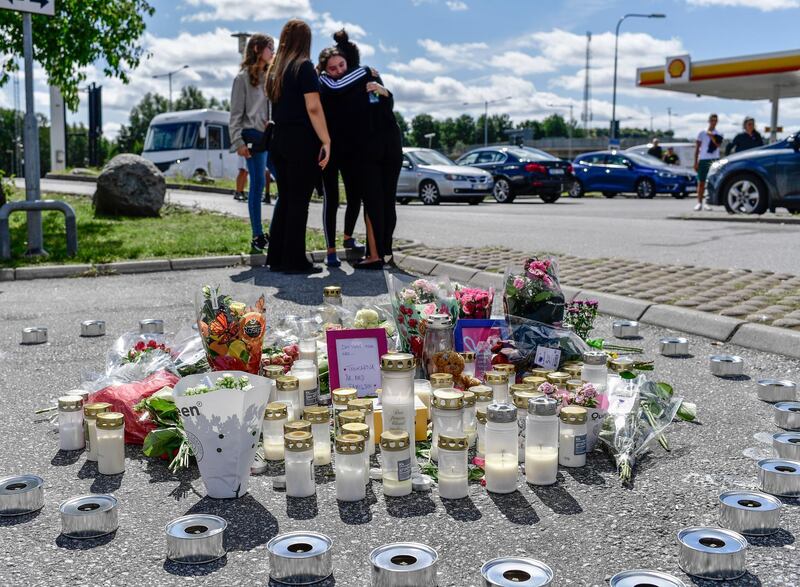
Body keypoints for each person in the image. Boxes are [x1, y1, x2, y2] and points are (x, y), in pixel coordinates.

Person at [318, 31, 400, 269]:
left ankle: (380, 253)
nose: (338, 71)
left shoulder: (364, 77)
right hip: (356, 148)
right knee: (366, 200)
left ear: (348, 61)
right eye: (332, 68)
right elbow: (332, 88)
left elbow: (386, 104)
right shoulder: (336, 81)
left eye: (341, 65)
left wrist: (383, 90)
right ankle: (373, 253)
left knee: (377, 201)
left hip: (374, 147)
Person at [265, 19, 331, 274]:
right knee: (298, 202)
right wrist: (326, 139)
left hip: (279, 140)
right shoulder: (303, 68)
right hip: (301, 141)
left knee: (287, 198)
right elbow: (313, 108)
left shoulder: (275, 70)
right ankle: (294, 260)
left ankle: (278, 257)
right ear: (305, 41)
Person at [229, 33, 274, 251]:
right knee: (257, 184)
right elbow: (235, 114)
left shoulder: (272, 75)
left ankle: (275, 233)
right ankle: (257, 235)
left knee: (285, 182)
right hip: (253, 136)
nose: (272, 52)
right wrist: (238, 141)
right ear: (257, 48)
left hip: (273, 136)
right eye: (269, 47)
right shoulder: (243, 78)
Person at [693, 113, 723, 211]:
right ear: (709, 121)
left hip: (714, 159)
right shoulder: (701, 133)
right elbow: (697, 148)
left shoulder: (719, 133)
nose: (714, 122)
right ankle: (699, 202)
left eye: (715, 120)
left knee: (710, 182)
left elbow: (718, 145)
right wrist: (695, 162)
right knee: (701, 182)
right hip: (703, 159)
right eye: (712, 120)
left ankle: (707, 202)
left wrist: (711, 136)